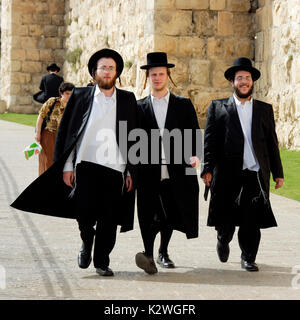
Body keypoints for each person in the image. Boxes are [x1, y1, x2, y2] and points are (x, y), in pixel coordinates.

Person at [11, 49, 138, 277]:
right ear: (94, 73)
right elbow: (67, 133)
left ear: (117, 72)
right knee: (84, 213)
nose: (107, 72)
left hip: (115, 168)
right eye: (103, 68)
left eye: (111, 68)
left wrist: (130, 170)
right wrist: (67, 165)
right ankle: (86, 241)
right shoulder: (80, 96)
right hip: (86, 165)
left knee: (109, 219)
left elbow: (133, 135)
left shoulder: (128, 99)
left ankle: (101, 261)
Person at [201, 57, 284, 272]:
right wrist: (207, 169)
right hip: (227, 173)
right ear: (232, 82)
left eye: (247, 78)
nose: (244, 82)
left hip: (255, 174)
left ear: (252, 82)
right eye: (240, 78)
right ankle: (222, 238)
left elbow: (272, 144)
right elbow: (210, 142)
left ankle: (248, 257)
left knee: (251, 221)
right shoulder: (218, 107)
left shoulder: (265, 110)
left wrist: (278, 173)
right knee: (226, 221)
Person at [135, 52, 201, 274]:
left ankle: (163, 251)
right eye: (153, 74)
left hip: (176, 169)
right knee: (147, 213)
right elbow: (131, 140)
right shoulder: (139, 107)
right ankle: (148, 254)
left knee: (169, 213)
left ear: (168, 76)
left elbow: (193, 134)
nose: (157, 78)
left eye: (161, 74)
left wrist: (195, 155)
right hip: (147, 171)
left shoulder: (183, 105)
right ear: (147, 77)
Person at [35, 82, 75, 175]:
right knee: (48, 161)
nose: (69, 96)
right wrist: (37, 132)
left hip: (64, 138)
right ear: (61, 93)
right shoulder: (52, 101)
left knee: (62, 163)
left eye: (71, 93)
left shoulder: (73, 106)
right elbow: (41, 116)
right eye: (67, 93)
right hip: (49, 135)